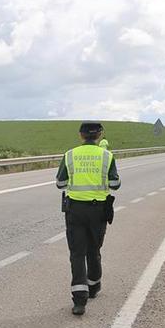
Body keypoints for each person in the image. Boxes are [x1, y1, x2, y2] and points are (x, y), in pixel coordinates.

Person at [55, 122, 120, 316]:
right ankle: (93, 285)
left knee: (77, 253)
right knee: (94, 249)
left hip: (75, 210)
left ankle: (79, 301)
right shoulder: (107, 156)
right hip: (98, 211)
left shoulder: (70, 155)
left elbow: (60, 183)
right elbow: (115, 184)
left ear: (80, 135)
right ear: (99, 135)